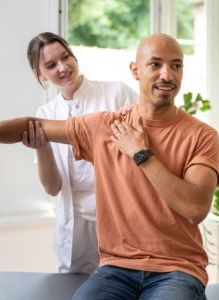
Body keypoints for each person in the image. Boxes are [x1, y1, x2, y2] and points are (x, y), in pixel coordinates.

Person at [0, 33, 219, 300]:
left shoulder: (202, 135)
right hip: (117, 267)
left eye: (176, 66)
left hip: (177, 269)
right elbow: (30, 126)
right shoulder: (104, 126)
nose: (166, 75)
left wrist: (142, 154)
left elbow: (195, 209)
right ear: (135, 71)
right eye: (155, 64)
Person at [24, 32, 138, 275]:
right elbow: (52, 187)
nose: (64, 67)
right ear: (40, 74)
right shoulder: (45, 114)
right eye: (51, 65)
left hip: (122, 221)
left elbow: (146, 148)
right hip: (75, 232)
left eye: (66, 57)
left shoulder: (117, 94)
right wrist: (42, 148)